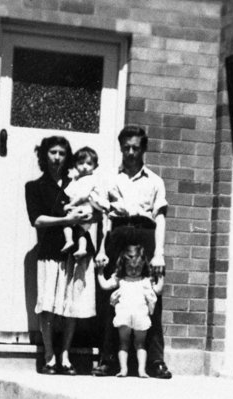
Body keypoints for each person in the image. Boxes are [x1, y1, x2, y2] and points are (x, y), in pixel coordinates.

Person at [93, 125, 172, 379]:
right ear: (120, 148)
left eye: (135, 148)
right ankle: (108, 360)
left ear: (144, 149)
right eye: (125, 148)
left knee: (150, 299)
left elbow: (159, 218)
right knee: (113, 299)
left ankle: (155, 361)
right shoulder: (110, 179)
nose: (130, 153)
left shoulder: (155, 181)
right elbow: (104, 218)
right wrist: (102, 250)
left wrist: (159, 252)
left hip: (146, 234)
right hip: (117, 234)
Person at [25, 135, 95, 375]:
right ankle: (49, 355)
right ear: (44, 155)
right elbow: (37, 220)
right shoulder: (35, 187)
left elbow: (93, 210)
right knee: (48, 306)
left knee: (71, 306)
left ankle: (65, 356)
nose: (57, 157)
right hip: (51, 251)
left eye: (62, 153)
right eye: (52, 152)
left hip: (76, 251)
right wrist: (66, 220)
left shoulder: (77, 183)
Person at [97, 244, 163, 377]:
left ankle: (141, 370)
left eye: (137, 268)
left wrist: (161, 276)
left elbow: (158, 290)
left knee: (140, 344)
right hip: (124, 317)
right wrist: (100, 271)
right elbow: (104, 285)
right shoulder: (120, 279)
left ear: (143, 266)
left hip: (140, 316)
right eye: (130, 268)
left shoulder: (145, 280)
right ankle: (123, 369)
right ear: (123, 265)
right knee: (123, 344)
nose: (133, 271)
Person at [60, 146, 107, 259]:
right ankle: (81, 249)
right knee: (81, 232)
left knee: (66, 223)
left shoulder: (90, 179)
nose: (85, 167)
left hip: (85, 208)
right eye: (81, 163)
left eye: (89, 163)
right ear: (75, 164)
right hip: (81, 208)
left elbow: (82, 196)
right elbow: (68, 193)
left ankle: (69, 240)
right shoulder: (76, 179)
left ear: (95, 166)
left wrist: (70, 205)